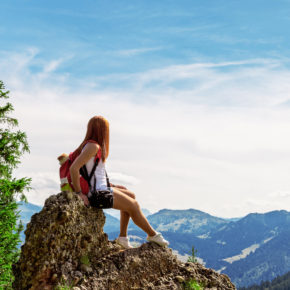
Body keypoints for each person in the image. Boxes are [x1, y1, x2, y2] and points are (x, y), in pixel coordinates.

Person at [70, 116, 169, 249]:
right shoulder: (93, 146)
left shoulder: (92, 146)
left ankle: (122, 238)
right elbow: (74, 168)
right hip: (98, 194)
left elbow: (95, 173)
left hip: (102, 189)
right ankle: (152, 235)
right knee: (133, 205)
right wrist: (79, 193)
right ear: (102, 130)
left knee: (131, 195)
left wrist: (113, 186)